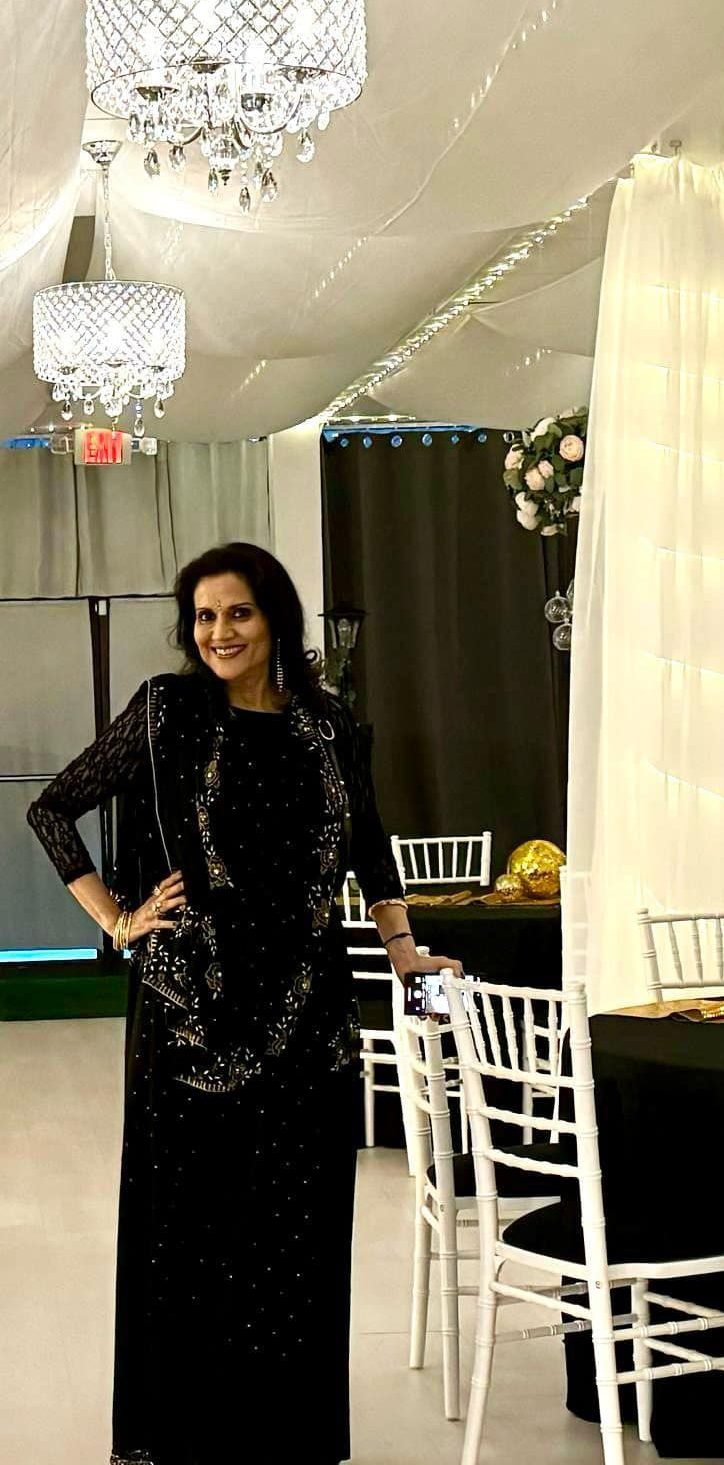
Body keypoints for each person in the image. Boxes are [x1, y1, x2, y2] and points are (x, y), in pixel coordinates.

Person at [27, 542, 460, 1465]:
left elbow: (371, 847)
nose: (219, 633)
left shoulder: (330, 726)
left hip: (309, 1010)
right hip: (194, 1017)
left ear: (276, 620)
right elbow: (52, 808)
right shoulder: (168, 711)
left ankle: (286, 1435)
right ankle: (184, 1437)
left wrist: (402, 948)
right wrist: (118, 920)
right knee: (190, 1233)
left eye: (238, 613)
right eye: (204, 616)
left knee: (295, 1229)